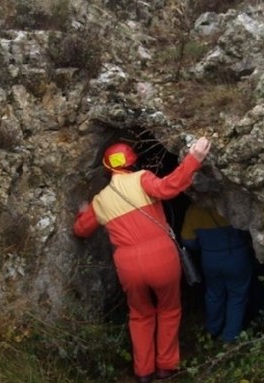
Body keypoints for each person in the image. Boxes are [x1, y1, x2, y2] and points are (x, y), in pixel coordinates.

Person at [73, 137, 211, 383]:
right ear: (132, 162)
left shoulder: (100, 201)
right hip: (161, 256)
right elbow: (169, 187)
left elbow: (81, 230)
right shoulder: (142, 179)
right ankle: (166, 367)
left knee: (140, 314)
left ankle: (143, 372)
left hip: (128, 263)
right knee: (169, 310)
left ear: (108, 168)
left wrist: (85, 213)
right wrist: (194, 159)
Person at [181, 201, 253, 343]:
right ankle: (230, 336)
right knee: (237, 297)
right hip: (237, 254)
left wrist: (205, 245)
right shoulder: (231, 202)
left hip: (210, 258)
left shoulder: (194, 209)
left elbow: (188, 240)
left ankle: (212, 330)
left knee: (214, 294)